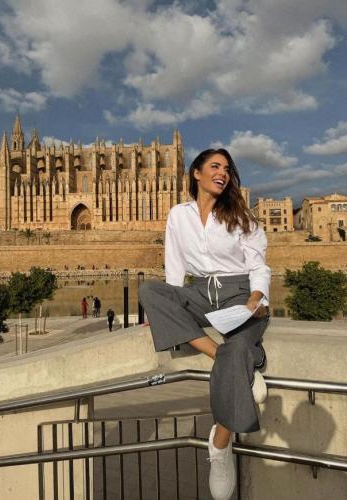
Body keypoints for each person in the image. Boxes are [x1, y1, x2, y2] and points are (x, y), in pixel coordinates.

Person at [139, 148, 270, 500]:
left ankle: (221, 445)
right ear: (196, 173)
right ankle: (240, 362)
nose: (222, 173)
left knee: (238, 345)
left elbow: (259, 266)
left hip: (238, 293)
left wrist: (256, 298)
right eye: (215, 166)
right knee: (150, 291)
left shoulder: (240, 215)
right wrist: (168, 308)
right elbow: (174, 266)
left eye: (227, 168)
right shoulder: (178, 215)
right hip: (198, 291)